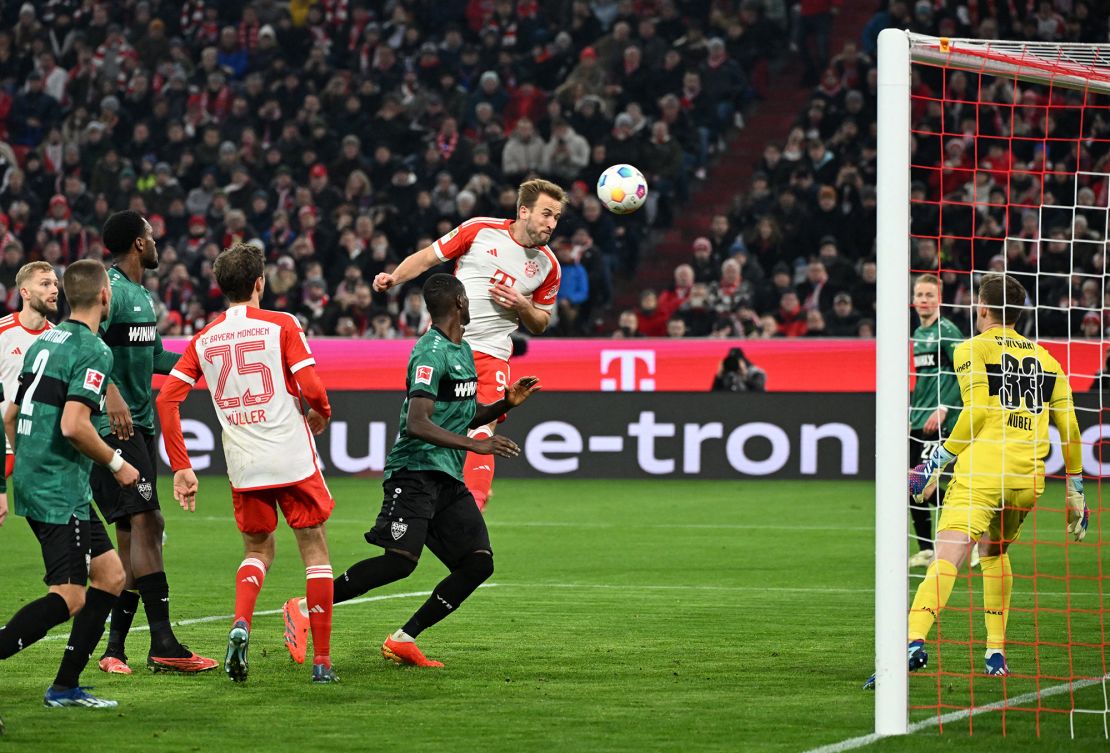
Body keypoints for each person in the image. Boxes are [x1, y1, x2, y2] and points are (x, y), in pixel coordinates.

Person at [284, 274, 540, 668]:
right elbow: (417, 423)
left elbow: (464, 415)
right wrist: (476, 444)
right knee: (400, 561)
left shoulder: (463, 351)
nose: (469, 305)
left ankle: (403, 638)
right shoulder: (429, 352)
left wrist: (506, 403)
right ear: (458, 303)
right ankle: (305, 606)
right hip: (415, 471)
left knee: (478, 562)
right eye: (467, 299)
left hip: (446, 478)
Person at [865, 273, 1089, 688]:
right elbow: (1071, 427)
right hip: (1026, 478)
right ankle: (995, 652)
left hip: (981, 472)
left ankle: (913, 643)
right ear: (1020, 313)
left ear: (982, 308)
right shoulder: (1049, 360)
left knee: (947, 556)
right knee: (993, 553)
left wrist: (936, 461)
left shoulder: (972, 348)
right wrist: (1075, 489)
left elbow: (979, 412)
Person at [156, 242, 338, 684]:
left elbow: (166, 399)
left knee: (258, 551)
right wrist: (323, 412)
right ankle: (322, 663)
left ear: (221, 288)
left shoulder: (204, 338)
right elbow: (310, 384)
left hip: (244, 463)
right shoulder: (281, 324)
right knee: (314, 549)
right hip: (291, 455)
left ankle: (241, 625)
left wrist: (182, 464)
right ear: (260, 283)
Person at [372, 178, 563, 512]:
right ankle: (408, 506)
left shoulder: (549, 266)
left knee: (482, 427)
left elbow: (541, 322)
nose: (551, 223)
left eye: (556, 217)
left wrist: (522, 305)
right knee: (424, 425)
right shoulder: (479, 230)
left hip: (491, 354)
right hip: (444, 346)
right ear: (523, 211)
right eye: (546, 214)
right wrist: (394, 277)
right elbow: (429, 257)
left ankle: (472, 508)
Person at [0, 260, 139, 709]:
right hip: (57, 488)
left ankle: (64, 687)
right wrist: (118, 463)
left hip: (49, 479)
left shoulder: (45, 341)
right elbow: (74, 425)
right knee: (70, 595)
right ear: (104, 296)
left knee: (112, 575)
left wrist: (25, 455)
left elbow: (9, 414)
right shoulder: (93, 349)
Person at [91, 210, 216, 675]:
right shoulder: (110, 290)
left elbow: (154, 354)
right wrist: (110, 392)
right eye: (151, 234)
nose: (157, 239)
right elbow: (85, 341)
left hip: (139, 428)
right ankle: (163, 641)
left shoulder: (142, 296)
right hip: (113, 430)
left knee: (132, 535)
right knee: (150, 521)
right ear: (139, 244)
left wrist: (205, 361)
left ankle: (114, 648)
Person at [907, 274, 963, 569]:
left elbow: (964, 372)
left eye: (930, 294)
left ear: (939, 298)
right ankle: (926, 549)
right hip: (919, 417)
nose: (924, 300)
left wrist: (943, 408)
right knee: (911, 484)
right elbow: (924, 381)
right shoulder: (918, 334)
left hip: (940, 419)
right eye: (920, 294)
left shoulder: (948, 331)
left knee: (923, 483)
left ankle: (970, 533)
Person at [0, 262, 57, 478]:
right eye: (44, 284)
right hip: (3, 445)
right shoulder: (3, 332)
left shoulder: (57, 338)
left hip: (40, 448)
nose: (53, 289)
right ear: (24, 292)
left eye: (55, 283)